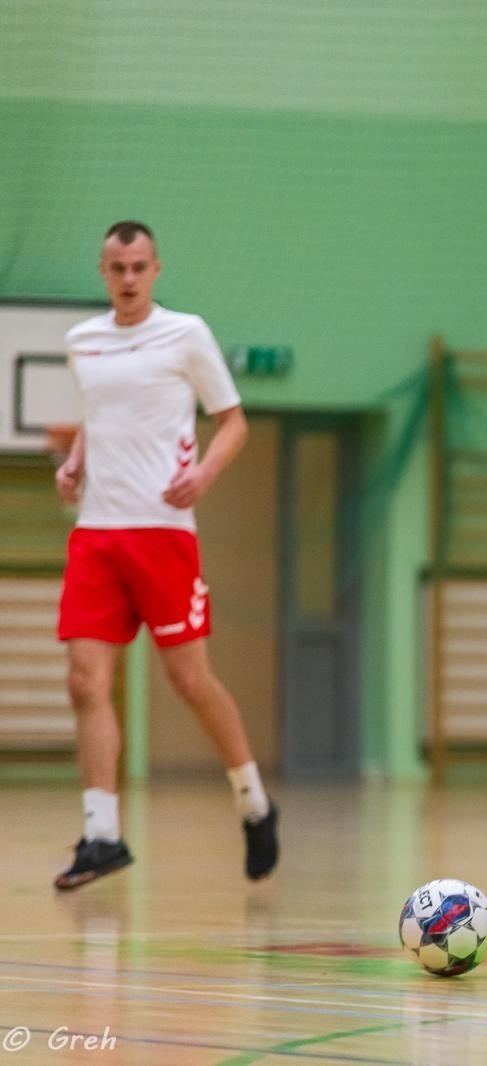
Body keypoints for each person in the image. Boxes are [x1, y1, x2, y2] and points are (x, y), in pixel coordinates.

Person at [53, 220, 279, 890]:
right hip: (97, 533)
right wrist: (76, 460)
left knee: (188, 680)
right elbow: (99, 417)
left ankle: (253, 801)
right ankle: (102, 834)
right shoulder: (83, 341)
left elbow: (233, 421)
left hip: (163, 531)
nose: (127, 278)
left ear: (155, 271)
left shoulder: (186, 334)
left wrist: (204, 475)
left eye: (139, 267)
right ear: (103, 272)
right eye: (116, 268)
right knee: (84, 681)